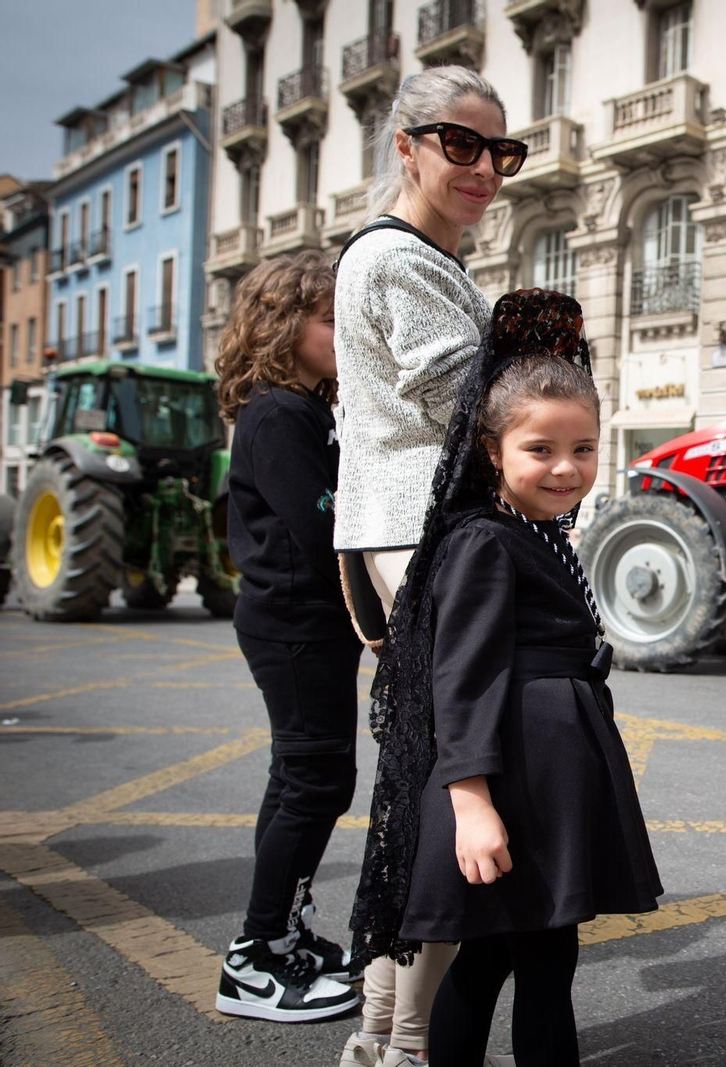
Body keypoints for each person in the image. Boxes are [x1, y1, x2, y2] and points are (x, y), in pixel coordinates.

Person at [350, 290, 662, 1067]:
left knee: (495, 956)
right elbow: (462, 678)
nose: (566, 467)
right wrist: (472, 802)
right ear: (493, 450)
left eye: (584, 448)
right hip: (513, 775)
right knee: (539, 963)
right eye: (541, 449)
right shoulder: (486, 540)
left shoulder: (537, 527)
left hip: (548, 763)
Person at [333, 64, 524, 1067]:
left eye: (501, 151)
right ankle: (407, 1043)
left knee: (419, 782)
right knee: (466, 784)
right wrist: (547, 365)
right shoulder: (398, 259)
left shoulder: (424, 258)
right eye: (460, 143)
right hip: (430, 540)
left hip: (412, 536)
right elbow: (478, 402)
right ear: (403, 145)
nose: (485, 167)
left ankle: (380, 1034)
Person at [211, 252, 364, 1022]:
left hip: (303, 624)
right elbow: (321, 524)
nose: (348, 334)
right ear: (281, 328)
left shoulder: (302, 408)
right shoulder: (279, 413)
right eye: (332, 320)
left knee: (304, 778)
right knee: (315, 781)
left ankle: (279, 932)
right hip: (295, 625)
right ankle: (255, 956)